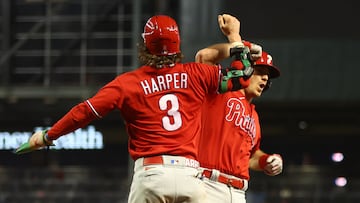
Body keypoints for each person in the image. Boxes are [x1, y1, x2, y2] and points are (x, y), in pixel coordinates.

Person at [15, 14, 254, 203]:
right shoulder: (198, 74)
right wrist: (235, 36)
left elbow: (83, 112)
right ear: (177, 42)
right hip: (190, 178)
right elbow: (243, 75)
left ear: (146, 45)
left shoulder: (127, 84)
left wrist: (47, 137)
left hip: (151, 177)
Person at [195, 15, 283, 203]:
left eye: (268, 76)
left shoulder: (254, 116)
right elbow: (204, 56)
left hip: (238, 191)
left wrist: (266, 160)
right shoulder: (220, 90)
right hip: (208, 184)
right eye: (260, 72)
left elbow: (251, 156)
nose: (265, 79)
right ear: (247, 69)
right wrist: (238, 42)